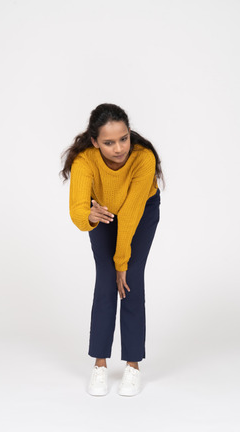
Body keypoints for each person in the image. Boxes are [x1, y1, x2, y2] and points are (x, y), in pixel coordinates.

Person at [60, 103, 165, 397]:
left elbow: (131, 214)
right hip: (103, 213)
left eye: (123, 139)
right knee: (106, 281)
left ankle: (132, 365)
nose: (118, 148)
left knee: (130, 278)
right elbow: (78, 209)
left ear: (129, 134)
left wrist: (123, 262)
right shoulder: (85, 161)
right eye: (108, 142)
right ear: (95, 142)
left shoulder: (144, 158)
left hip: (141, 212)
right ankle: (100, 364)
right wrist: (89, 217)